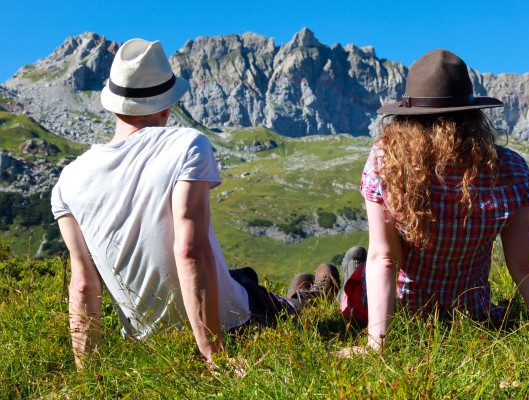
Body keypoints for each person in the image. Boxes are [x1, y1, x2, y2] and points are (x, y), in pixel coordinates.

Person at [51, 38, 332, 369]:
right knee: (267, 301)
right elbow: (189, 251)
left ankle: (297, 289)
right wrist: (214, 356)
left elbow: (84, 285)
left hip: (151, 346)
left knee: (242, 276)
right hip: (232, 322)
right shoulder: (186, 144)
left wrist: (87, 378)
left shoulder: (68, 180)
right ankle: (308, 296)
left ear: (113, 105)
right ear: (167, 106)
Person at [337, 49, 529, 351]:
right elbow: (524, 262)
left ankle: (348, 275)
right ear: (474, 115)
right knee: (364, 263)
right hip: (469, 316)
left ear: (407, 118)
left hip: (401, 313)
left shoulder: (387, 162)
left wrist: (378, 346)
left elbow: (386, 260)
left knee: (363, 271)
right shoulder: (511, 169)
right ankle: (353, 268)